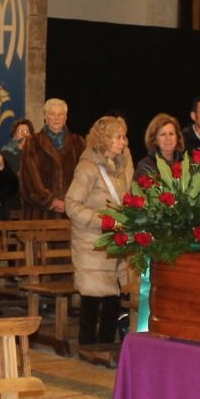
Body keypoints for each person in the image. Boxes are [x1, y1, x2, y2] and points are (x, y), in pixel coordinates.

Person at [65, 116, 131, 352]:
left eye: (124, 137)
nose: (123, 142)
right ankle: (87, 344)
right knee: (92, 295)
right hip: (91, 241)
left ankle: (105, 343)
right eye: (118, 137)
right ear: (104, 140)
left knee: (113, 294)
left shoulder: (120, 167)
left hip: (112, 240)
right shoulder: (87, 167)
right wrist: (101, 221)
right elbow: (71, 205)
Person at [19, 98, 84, 219]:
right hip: (40, 214)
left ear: (65, 117)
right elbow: (29, 180)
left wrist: (72, 201)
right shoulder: (32, 143)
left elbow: (84, 178)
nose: (56, 118)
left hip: (70, 214)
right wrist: (50, 201)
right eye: (52, 113)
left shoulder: (78, 143)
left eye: (60, 114)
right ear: (45, 116)